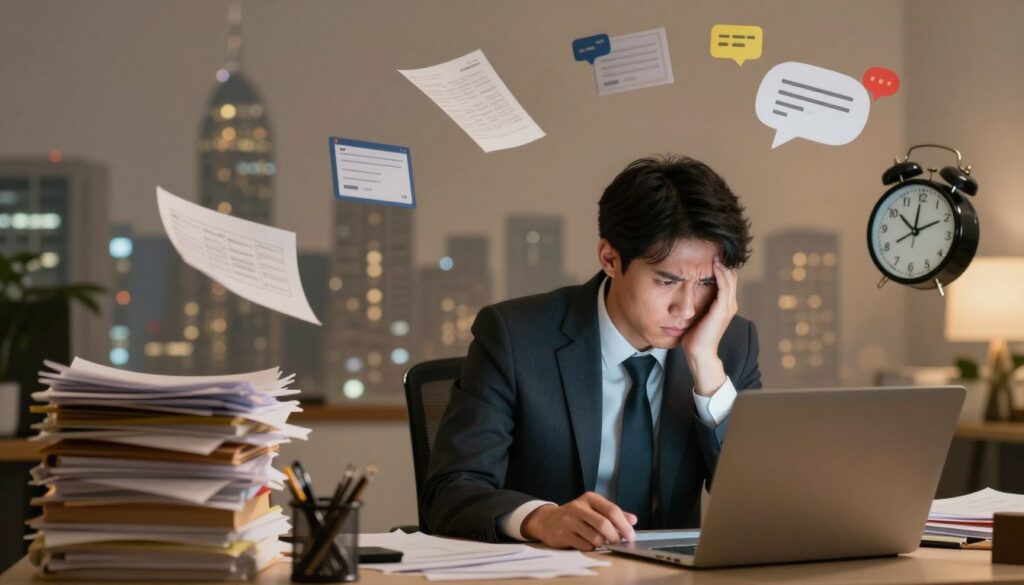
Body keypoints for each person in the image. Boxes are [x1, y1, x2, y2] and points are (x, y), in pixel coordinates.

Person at [422, 155, 761, 550]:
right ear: (610, 258)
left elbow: (761, 503)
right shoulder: (516, 337)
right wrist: (541, 519)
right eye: (667, 281)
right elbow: (450, 490)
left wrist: (706, 367)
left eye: (706, 283)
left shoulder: (731, 346)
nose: (686, 308)